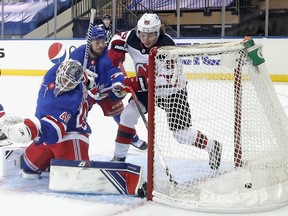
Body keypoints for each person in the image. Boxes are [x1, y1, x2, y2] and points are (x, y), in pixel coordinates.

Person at [108, 13, 222, 170]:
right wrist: (116, 48)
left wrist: (136, 82)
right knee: (128, 114)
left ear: (158, 32)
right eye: (143, 34)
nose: (146, 39)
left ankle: (212, 146)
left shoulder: (167, 46)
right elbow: (118, 37)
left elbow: (166, 81)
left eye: (150, 35)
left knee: (181, 135)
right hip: (145, 90)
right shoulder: (133, 37)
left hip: (172, 91)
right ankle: (118, 158)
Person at [1, 59, 92, 178]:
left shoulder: (72, 98)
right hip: (46, 133)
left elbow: (55, 132)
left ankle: (63, 161)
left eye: (70, 84)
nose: (65, 85)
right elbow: (71, 68)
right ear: (60, 72)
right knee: (28, 168)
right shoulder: (52, 72)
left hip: (71, 136)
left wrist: (31, 130)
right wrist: (87, 78)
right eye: (65, 79)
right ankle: (53, 160)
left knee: (75, 176)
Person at [69, 25, 147, 151]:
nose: (101, 45)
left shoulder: (109, 55)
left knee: (120, 116)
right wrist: (83, 88)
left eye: (103, 41)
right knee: (78, 115)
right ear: (89, 42)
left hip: (105, 92)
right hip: (85, 92)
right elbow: (69, 74)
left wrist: (118, 86)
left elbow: (117, 73)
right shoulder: (78, 54)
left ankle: (133, 138)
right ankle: (74, 140)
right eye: (97, 42)